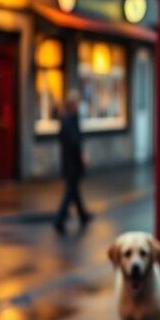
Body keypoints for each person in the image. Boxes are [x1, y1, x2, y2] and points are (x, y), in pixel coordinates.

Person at [54, 89, 92, 235]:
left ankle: (83, 215)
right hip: (72, 162)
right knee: (71, 191)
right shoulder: (71, 119)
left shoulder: (66, 118)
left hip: (68, 161)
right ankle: (59, 220)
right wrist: (82, 155)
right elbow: (74, 141)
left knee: (74, 190)